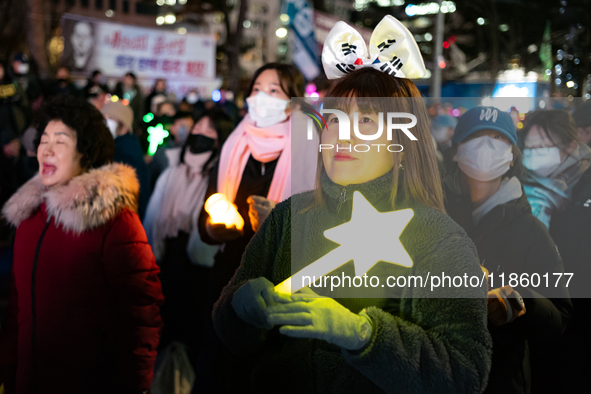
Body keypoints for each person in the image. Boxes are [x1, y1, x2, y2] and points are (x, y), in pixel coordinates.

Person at [212, 16, 491, 393]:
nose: (344, 136)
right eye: (335, 119)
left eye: (367, 121)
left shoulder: (439, 238)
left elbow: (464, 373)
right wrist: (239, 307)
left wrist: (362, 334)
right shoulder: (289, 217)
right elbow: (231, 332)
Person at [0, 95, 164, 393]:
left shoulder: (114, 220)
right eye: (44, 139)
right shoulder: (28, 216)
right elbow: (16, 307)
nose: (46, 149)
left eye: (60, 142)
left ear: (86, 154)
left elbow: (142, 313)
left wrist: (134, 384)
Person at [194, 62, 319, 392]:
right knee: (218, 366)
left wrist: (276, 226)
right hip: (228, 273)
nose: (261, 97)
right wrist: (215, 228)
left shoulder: (311, 148)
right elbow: (206, 216)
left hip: (282, 279)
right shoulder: (235, 144)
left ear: (293, 100)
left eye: (274, 90)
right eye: (256, 90)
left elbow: (322, 225)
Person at [443, 106, 572, 394]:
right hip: (438, 373)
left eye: (498, 138)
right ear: (456, 151)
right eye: (476, 136)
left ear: (512, 154)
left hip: (500, 380)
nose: (487, 147)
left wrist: (519, 302)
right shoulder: (434, 215)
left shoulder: (530, 230)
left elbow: (560, 316)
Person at [143, 108, 234, 357]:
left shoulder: (222, 177)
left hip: (201, 267)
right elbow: (152, 219)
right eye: (198, 127)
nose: (199, 133)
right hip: (167, 260)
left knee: (192, 330)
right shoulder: (172, 172)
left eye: (209, 129)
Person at [519, 109, 591, 393]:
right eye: (530, 148)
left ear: (569, 147)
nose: (535, 155)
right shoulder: (520, 189)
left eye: (544, 147)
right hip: (540, 309)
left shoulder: (584, 186)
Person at [101, 100, 152, 219]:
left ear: (123, 126)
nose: (104, 123)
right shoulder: (123, 146)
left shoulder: (123, 154)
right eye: (102, 118)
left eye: (109, 118)